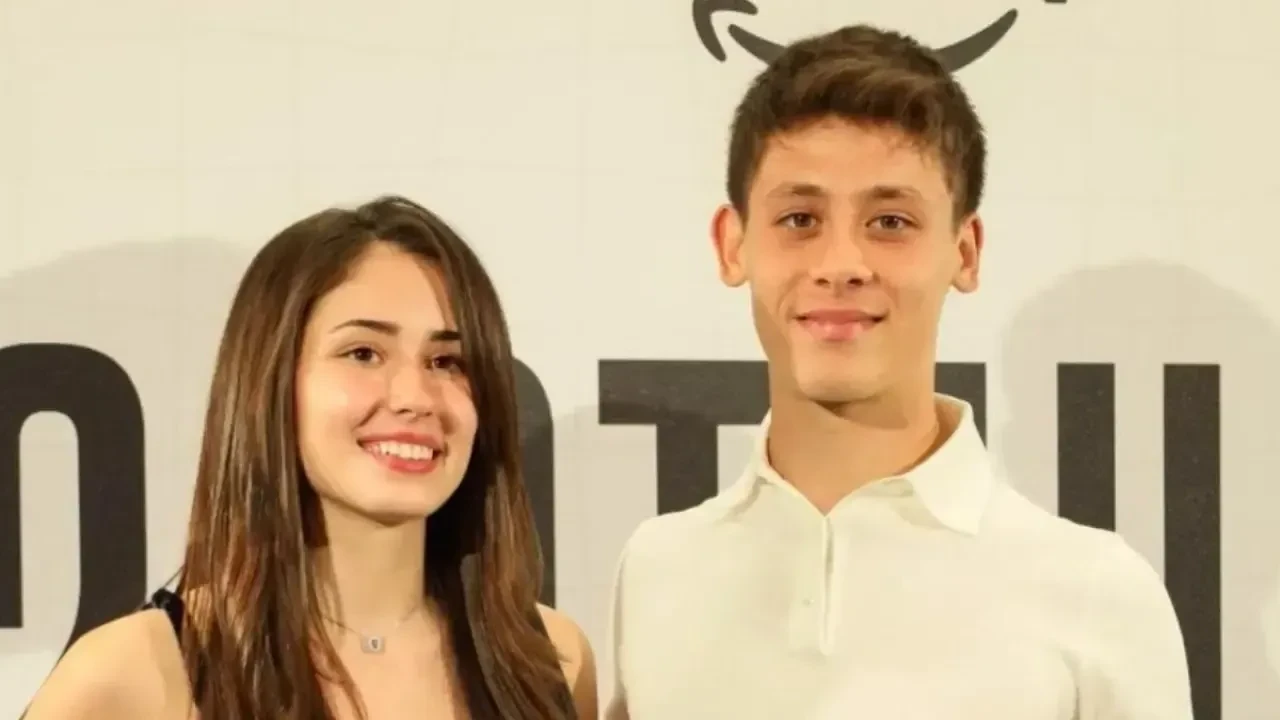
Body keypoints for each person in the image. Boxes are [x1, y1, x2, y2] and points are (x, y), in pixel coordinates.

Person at [604, 25, 1193, 720]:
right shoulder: (657, 570)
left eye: (890, 221)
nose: (841, 263)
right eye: (799, 218)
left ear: (965, 251)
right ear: (732, 245)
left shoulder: (1095, 591)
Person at [23, 196, 597, 719]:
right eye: (363, 353)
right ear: (271, 382)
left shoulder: (551, 662)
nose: (415, 397)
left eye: (447, 362)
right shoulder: (129, 680)